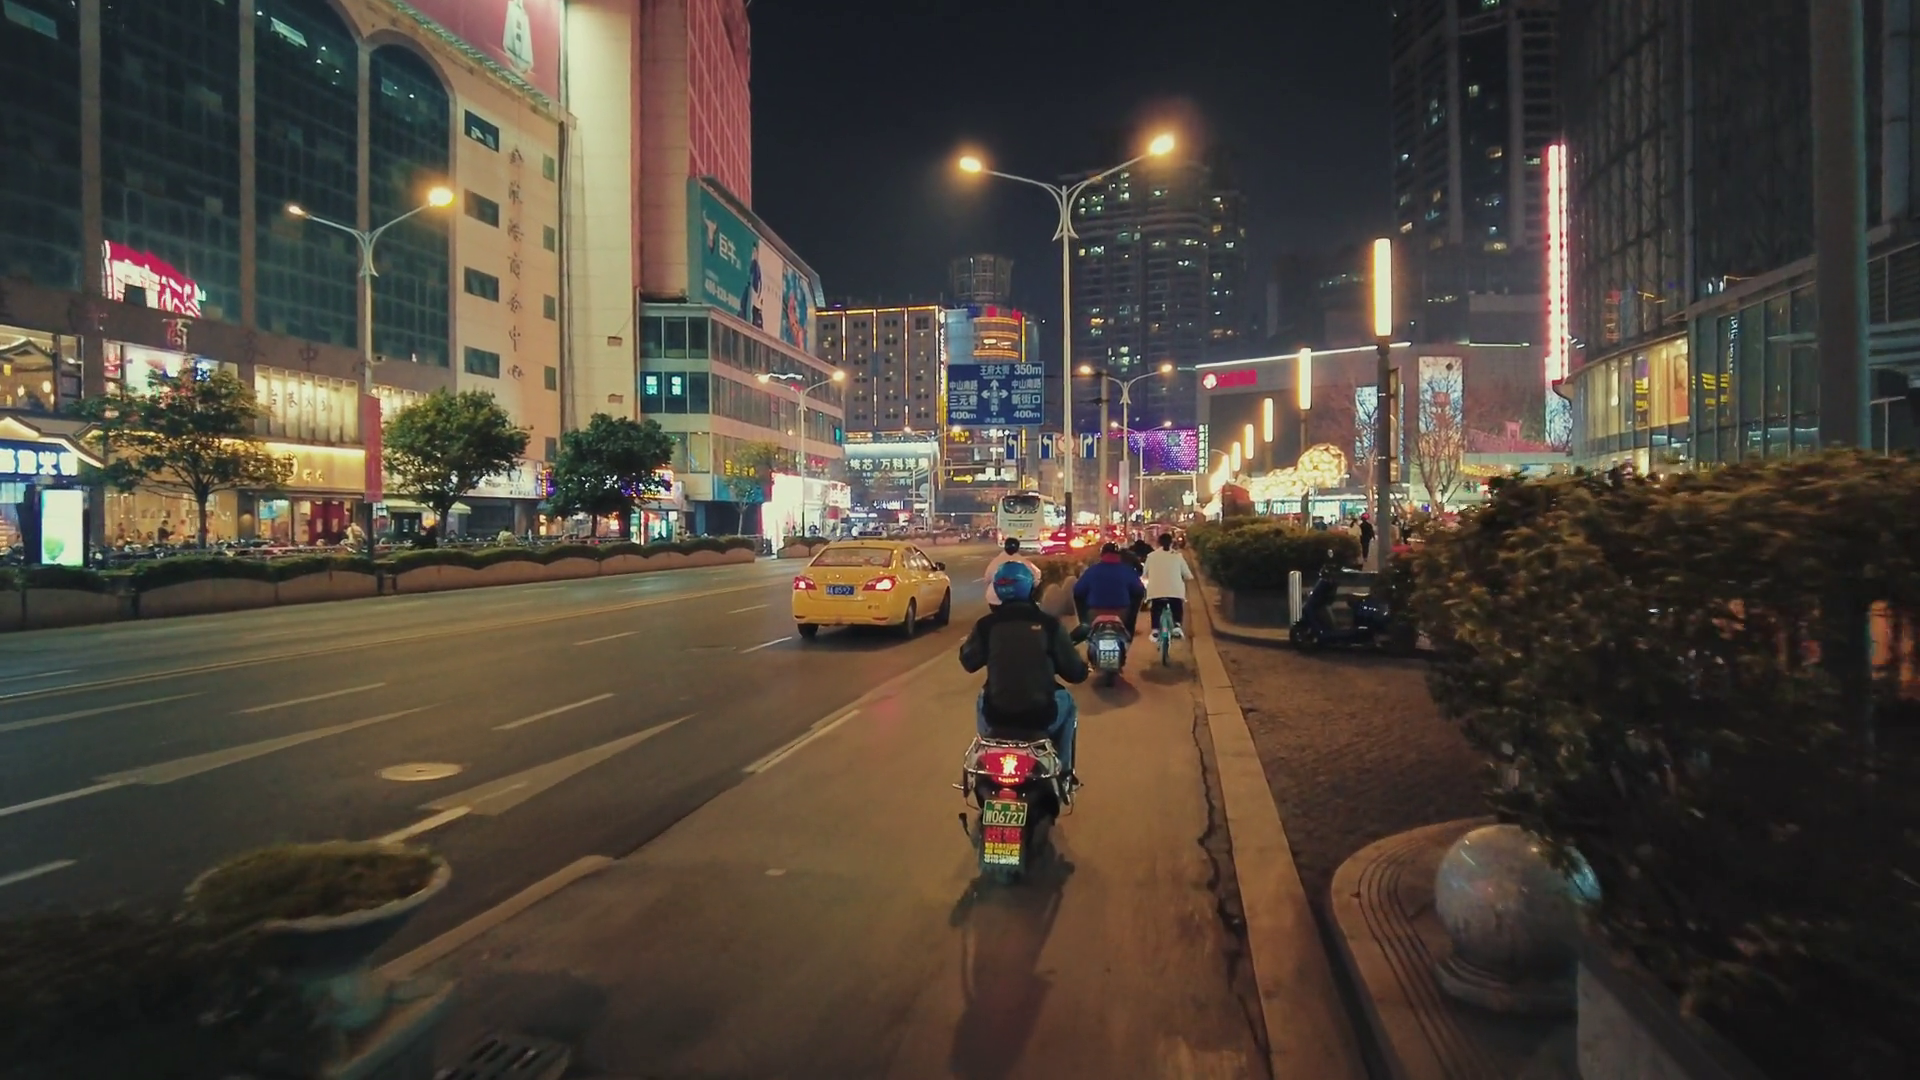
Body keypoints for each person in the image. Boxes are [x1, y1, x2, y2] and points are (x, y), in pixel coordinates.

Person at [959, 561, 1091, 780]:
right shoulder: (1049, 625)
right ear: (1031, 587)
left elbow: (968, 662)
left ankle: (988, 749)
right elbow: (1074, 673)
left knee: (982, 697)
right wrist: (1082, 668)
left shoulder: (986, 625)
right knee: (1068, 702)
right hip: (1041, 716)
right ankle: (1064, 771)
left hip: (997, 716)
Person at [1073, 542, 1147, 639]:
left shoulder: (1092, 571)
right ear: (1119, 556)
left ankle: (1084, 625)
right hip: (1122, 613)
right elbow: (1139, 590)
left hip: (1095, 612)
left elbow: (1078, 590)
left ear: (1102, 555)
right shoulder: (1127, 571)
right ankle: (1129, 628)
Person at [1143, 532, 1193, 639]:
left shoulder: (1151, 556)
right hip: (1175, 591)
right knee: (1177, 606)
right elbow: (1188, 575)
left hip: (1155, 591)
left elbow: (1144, 574)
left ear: (1158, 543)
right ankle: (1177, 625)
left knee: (1156, 608)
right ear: (1171, 543)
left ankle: (1155, 629)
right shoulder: (1178, 556)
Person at [981, 536, 1039, 608]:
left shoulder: (995, 562)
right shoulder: (1024, 561)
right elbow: (1037, 575)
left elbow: (987, 579)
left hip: (995, 601)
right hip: (1020, 601)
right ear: (1017, 548)